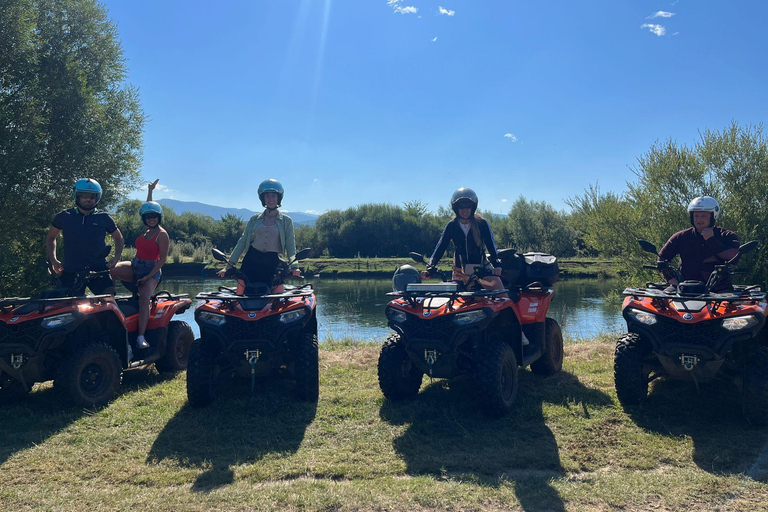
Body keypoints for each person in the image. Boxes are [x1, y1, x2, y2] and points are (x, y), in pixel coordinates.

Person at [111, 179, 169, 349]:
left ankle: (141, 337)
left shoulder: (162, 235)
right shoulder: (146, 230)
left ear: (159, 217)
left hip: (152, 269)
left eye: (154, 216)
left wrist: (147, 277)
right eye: (148, 217)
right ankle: (112, 302)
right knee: (112, 269)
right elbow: (148, 206)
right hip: (136, 264)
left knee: (144, 299)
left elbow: (162, 261)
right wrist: (150, 191)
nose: (151, 219)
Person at [219, 179, 301, 292]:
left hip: (272, 263)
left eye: (273, 196)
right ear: (263, 199)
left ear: (278, 198)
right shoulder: (254, 220)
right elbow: (242, 242)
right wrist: (228, 266)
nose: (270, 199)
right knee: (241, 298)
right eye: (267, 196)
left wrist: (294, 266)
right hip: (251, 261)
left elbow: (290, 245)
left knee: (274, 302)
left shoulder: (286, 221)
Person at [46, 178, 124, 295]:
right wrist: (53, 259)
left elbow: (119, 238)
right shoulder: (64, 216)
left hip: (98, 270)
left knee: (108, 301)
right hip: (71, 270)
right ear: (77, 196)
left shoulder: (104, 218)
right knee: (67, 308)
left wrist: (116, 257)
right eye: (84, 195)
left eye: (93, 196)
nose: (89, 199)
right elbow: (51, 237)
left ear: (98, 197)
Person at [427, 188, 506, 296]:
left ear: (473, 207)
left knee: (501, 295)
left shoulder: (481, 223)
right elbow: (441, 246)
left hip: (481, 269)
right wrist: (431, 266)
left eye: (468, 207)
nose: (465, 210)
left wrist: (497, 264)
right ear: (456, 209)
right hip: (460, 269)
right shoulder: (452, 225)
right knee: (454, 300)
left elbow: (490, 244)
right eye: (461, 207)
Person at [658, 196, 740, 291]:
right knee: (662, 301)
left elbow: (734, 257)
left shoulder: (726, 235)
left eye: (703, 216)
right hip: (685, 289)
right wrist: (672, 280)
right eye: (696, 216)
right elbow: (662, 257)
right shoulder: (681, 237)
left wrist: (711, 240)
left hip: (720, 289)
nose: (699, 220)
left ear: (713, 216)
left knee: (732, 305)